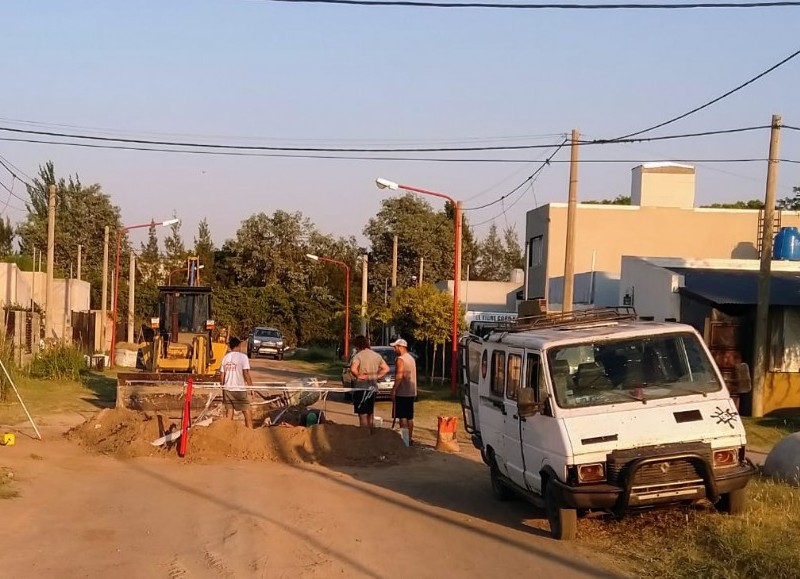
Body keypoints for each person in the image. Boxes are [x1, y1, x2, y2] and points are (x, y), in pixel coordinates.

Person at [349, 335, 389, 430]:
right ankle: (371, 434)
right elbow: (386, 368)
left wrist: (358, 376)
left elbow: (353, 369)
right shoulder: (376, 355)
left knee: (362, 414)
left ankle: (364, 435)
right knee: (370, 413)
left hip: (361, 388)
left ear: (358, 345)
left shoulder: (358, 356)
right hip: (372, 388)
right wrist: (377, 376)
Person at [220, 336, 254, 428]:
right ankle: (250, 433)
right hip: (239, 389)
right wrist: (251, 388)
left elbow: (222, 376)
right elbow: (246, 374)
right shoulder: (243, 357)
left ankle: (227, 432)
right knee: (247, 411)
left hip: (227, 388)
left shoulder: (225, 358)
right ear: (238, 346)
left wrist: (223, 389)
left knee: (229, 412)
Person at [390, 338, 417, 445]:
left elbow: (399, 375)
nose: (394, 349)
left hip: (403, 392)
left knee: (402, 417)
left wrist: (394, 390)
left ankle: (405, 440)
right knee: (409, 417)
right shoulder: (411, 358)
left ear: (401, 347)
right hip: (411, 391)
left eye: (395, 347)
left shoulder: (400, 359)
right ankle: (409, 439)